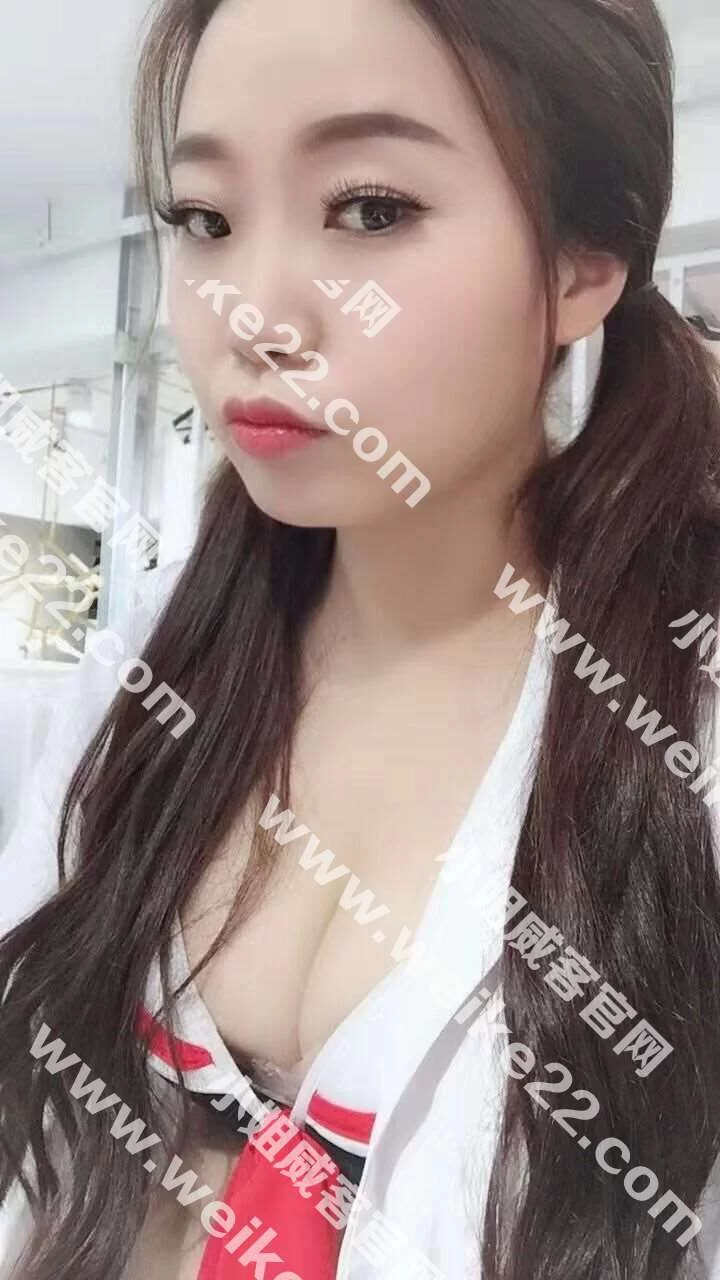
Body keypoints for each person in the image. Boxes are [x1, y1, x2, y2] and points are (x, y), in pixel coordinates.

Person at [2, 0, 720, 1276]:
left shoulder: (678, 723)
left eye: (371, 209)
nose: (254, 312)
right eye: (205, 220)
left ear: (584, 262)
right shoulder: (155, 664)